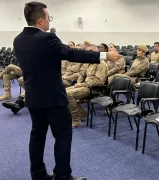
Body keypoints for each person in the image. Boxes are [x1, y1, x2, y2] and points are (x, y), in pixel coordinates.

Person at [12, 2, 122, 180]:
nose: (49, 21)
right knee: (62, 137)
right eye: (49, 17)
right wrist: (104, 55)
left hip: (33, 98)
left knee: (37, 137)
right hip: (54, 99)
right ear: (41, 20)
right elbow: (71, 53)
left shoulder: (18, 40)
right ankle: (63, 176)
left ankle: (38, 175)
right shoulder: (47, 38)